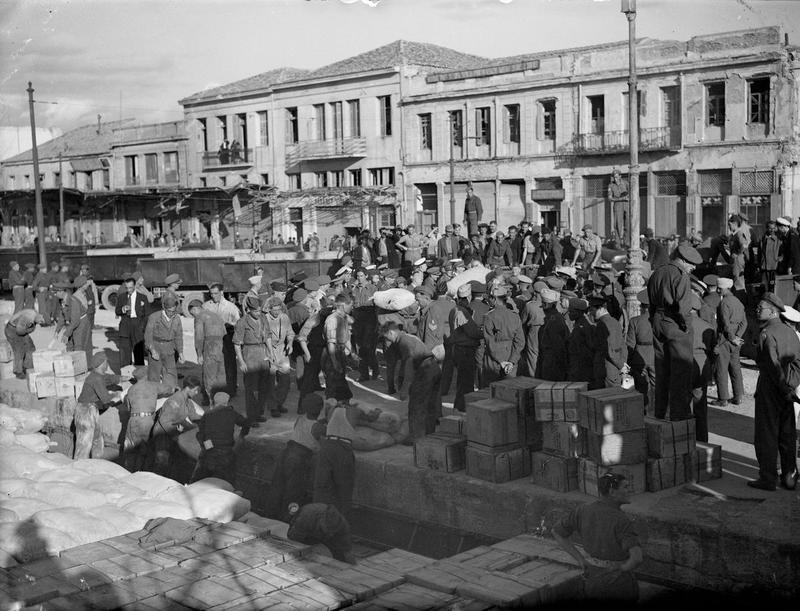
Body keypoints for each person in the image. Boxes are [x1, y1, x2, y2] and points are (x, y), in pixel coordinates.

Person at [552, 473, 643, 601]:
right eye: (626, 487)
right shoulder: (621, 520)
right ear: (612, 492)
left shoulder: (582, 510)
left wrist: (580, 560)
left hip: (593, 580)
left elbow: (557, 532)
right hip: (619, 585)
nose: (631, 490)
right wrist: (622, 568)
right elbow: (637, 558)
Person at [748, 293, 800, 491]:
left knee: (766, 434)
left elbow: (772, 365)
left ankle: (768, 478)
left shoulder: (767, 334)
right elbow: (798, 363)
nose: (757, 310)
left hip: (771, 388)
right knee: (787, 435)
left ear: (773, 312)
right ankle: (790, 477)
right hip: (788, 388)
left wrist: (782, 386)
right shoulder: (790, 332)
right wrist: (791, 384)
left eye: (761, 308)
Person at [647, 243, 703, 422]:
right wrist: (686, 327)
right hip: (675, 324)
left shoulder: (657, 272)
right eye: (691, 264)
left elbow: (650, 302)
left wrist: (654, 320)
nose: (692, 268)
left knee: (661, 372)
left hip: (658, 321)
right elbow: (684, 309)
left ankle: (659, 413)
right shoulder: (681, 276)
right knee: (681, 371)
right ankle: (679, 415)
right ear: (683, 260)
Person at [265, 393, 325, 521]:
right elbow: (324, 445)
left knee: (277, 487)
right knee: (294, 493)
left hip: (286, 452)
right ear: (320, 409)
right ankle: (287, 520)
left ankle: (270, 515)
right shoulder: (319, 427)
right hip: (300, 458)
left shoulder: (301, 418)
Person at [381, 322, 443, 442]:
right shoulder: (410, 337)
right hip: (434, 368)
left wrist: (405, 387)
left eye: (386, 337)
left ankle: (416, 438)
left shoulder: (403, 341)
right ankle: (429, 434)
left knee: (416, 406)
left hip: (425, 371)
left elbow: (409, 363)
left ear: (391, 332)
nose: (386, 341)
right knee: (430, 405)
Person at [120, 367, 174, 472]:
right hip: (146, 420)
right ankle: (143, 473)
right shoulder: (152, 386)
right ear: (146, 375)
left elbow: (129, 407)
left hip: (133, 420)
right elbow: (168, 389)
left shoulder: (131, 389)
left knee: (130, 448)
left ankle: (128, 472)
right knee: (145, 449)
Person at [191, 392, 249, 486]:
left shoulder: (207, 414)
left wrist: (208, 448)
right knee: (228, 481)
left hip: (210, 453)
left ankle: (192, 483)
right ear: (227, 402)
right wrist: (242, 436)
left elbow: (201, 435)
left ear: (214, 402)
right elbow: (246, 423)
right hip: (227, 453)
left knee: (199, 478)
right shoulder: (232, 413)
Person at [150, 375, 202, 478]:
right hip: (163, 435)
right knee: (162, 463)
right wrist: (177, 428)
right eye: (195, 390)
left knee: (174, 463)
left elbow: (193, 415)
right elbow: (164, 422)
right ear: (187, 388)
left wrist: (208, 418)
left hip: (174, 434)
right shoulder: (175, 401)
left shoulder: (187, 401)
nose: (196, 393)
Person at [313, 401, 356, 517]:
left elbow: (315, 429)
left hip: (327, 447)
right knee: (344, 491)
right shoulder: (356, 411)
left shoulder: (330, 412)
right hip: (343, 450)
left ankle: (317, 520)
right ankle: (340, 523)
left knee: (321, 487)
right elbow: (371, 421)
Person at [75, 353, 121, 459]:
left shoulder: (96, 375)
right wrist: (116, 394)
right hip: (85, 412)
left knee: (97, 440)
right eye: (106, 362)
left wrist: (121, 378)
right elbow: (105, 398)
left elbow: (108, 378)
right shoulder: (96, 379)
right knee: (83, 445)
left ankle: (97, 465)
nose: (107, 364)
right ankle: (79, 469)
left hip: (91, 410)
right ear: (102, 364)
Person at [234, 296, 270, 426]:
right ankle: (251, 417)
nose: (258, 313)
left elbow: (268, 337)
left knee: (263, 387)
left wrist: (270, 353)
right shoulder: (242, 322)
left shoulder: (263, 318)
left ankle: (259, 412)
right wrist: (242, 362)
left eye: (259, 311)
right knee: (251, 389)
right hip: (249, 354)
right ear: (249, 310)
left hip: (263, 353)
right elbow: (237, 344)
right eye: (255, 311)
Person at [286, 501, 356, 564]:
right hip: (307, 533)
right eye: (327, 529)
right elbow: (293, 539)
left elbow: (347, 551)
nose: (330, 533)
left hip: (327, 534)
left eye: (332, 531)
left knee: (340, 554)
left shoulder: (342, 526)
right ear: (321, 520)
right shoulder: (305, 519)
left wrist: (352, 567)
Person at [713, 277, 746, 408]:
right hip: (736, 340)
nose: (717, 290)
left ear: (727, 288)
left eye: (719, 288)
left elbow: (725, 324)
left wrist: (732, 337)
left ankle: (723, 399)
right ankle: (738, 397)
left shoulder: (724, 303)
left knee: (721, 369)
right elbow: (745, 322)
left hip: (724, 339)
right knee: (735, 368)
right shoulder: (739, 302)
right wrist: (738, 337)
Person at [203, 283, 241, 396]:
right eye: (211, 294)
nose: (213, 296)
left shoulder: (231, 307)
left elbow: (238, 325)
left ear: (222, 293)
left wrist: (229, 324)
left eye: (216, 293)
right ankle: (209, 392)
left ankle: (231, 390)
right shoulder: (206, 306)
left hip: (227, 340)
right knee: (210, 366)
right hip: (211, 341)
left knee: (229, 365)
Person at [449, 284, 483, 412]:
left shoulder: (455, 309)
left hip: (459, 349)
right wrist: (485, 332)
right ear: (468, 297)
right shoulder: (462, 312)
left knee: (462, 381)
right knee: (466, 383)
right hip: (464, 350)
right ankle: (463, 409)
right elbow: (472, 333)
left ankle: (459, 407)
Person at [482, 286, 524, 386]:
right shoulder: (515, 316)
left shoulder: (489, 316)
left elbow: (489, 341)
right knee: (509, 392)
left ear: (495, 299)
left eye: (491, 298)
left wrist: (500, 361)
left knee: (490, 392)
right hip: (511, 356)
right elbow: (520, 342)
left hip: (493, 360)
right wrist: (512, 361)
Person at [144, 293, 184, 390]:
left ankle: (170, 393)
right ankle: (154, 394)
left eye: (174, 311)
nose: (171, 313)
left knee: (171, 373)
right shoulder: (154, 317)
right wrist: (152, 350)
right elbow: (148, 335)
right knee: (154, 374)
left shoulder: (177, 319)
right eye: (169, 311)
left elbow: (178, 336)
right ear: (164, 308)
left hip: (169, 348)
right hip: (156, 346)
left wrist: (181, 352)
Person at [187, 300, 226, 399]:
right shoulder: (216, 315)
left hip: (209, 347)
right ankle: (221, 400)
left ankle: (211, 401)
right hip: (221, 347)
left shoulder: (200, 317)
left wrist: (199, 354)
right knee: (220, 375)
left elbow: (199, 337)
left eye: (192, 313)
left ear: (195, 309)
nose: (193, 316)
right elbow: (224, 332)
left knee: (209, 376)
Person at [689, 294, 715, 442]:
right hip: (702, 365)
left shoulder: (682, 325)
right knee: (700, 406)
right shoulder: (708, 326)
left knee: (685, 405)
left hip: (685, 364)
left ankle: (687, 439)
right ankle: (702, 439)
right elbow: (713, 351)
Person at [263, 295, 294, 417]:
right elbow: (264, 337)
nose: (277, 312)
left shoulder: (284, 317)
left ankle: (279, 402)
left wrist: (290, 343)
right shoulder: (264, 319)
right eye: (274, 310)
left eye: (278, 310)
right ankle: (273, 407)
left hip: (282, 350)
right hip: (268, 350)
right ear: (269, 309)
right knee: (271, 381)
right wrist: (270, 353)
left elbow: (290, 332)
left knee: (285, 380)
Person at [321, 294, 355, 405]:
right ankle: (330, 411)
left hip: (340, 352)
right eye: (350, 305)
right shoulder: (332, 320)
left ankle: (340, 409)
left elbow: (346, 338)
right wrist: (334, 362)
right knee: (332, 385)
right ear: (343, 305)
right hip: (332, 354)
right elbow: (330, 343)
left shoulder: (344, 317)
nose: (352, 308)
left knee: (340, 382)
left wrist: (352, 352)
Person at [589, 296, 627, 390]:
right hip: (614, 368)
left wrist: (621, 365)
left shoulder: (602, 324)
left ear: (601, 308)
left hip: (606, 369)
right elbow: (623, 345)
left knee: (608, 399)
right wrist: (623, 363)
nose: (591, 313)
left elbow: (609, 349)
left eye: (593, 310)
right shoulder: (614, 321)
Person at [626, 290, 655, 410]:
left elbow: (630, 344)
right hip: (654, 355)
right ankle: (656, 411)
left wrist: (629, 361)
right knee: (656, 387)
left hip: (639, 356)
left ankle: (642, 411)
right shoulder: (657, 320)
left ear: (641, 306)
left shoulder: (634, 321)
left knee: (640, 387)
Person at [116, 273, 150, 368]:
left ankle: (139, 376)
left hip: (138, 325)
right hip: (125, 326)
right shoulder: (122, 297)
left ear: (135, 286)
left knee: (138, 352)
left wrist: (142, 327)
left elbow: (147, 314)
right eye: (127, 288)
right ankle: (126, 375)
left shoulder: (143, 297)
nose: (128, 290)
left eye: (130, 288)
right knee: (125, 353)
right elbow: (117, 311)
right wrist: (122, 309)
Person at [350, 269, 378, 382]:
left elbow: (377, 307)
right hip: (358, 323)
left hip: (369, 323)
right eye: (357, 276)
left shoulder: (373, 289)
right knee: (359, 349)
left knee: (369, 349)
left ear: (366, 276)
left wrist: (376, 324)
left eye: (361, 276)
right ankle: (364, 374)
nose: (359, 278)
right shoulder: (354, 290)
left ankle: (375, 370)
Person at [536, 288, 569, 381]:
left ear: (546, 305)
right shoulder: (555, 318)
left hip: (552, 361)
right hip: (549, 358)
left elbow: (558, 346)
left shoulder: (554, 321)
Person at [4, 308, 44, 379]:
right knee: (19, 349)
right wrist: (29, 329)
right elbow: (19, 331)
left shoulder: (34, 316)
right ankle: (18, 371)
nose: (39, 323)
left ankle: (27, 367)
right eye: (40, 322)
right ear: (38, 317)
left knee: (30, 346)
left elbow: (25, 330)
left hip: (21, 329)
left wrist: (30, 328)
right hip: (12, 330)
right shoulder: (28, 317)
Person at [64, 276, 93, 363]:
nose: (87, 284)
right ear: (82, 285)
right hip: (81, 325)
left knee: (86, 345)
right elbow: (75, 320)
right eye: (85, 283)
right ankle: (81, 366)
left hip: (85, 322)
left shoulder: (82, 294)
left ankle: (87, 365)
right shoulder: (75, 298)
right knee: (79, 346)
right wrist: (67, 333)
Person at [567, 298, 595, 385]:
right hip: (577, 364)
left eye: (571, 312)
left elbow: (589, 348)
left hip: (581, 367)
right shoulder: (579, 324)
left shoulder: (583, 326)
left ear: (578, 312)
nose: (569, 314)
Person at [608, 169, 629, 247]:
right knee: (617, 224)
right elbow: (610, 198)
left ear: (620, 176)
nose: (615, 179)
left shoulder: (626, 183)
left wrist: (627, 197)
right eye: (614, 177)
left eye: (616, 177)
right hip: (617, 204)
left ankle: (627, 242)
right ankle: (618, 243)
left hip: (627, 204)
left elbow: (632, 193)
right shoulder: (611, 185)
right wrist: (620, 199)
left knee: (628, 223)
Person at [760, 220, 781, 292]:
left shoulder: (778, 239)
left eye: (773, 228)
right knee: (764, 287)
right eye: (770, 228)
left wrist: (777, 259)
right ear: (766, 228)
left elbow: (781, 252)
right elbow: (760, 251)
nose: (772, 230)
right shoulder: (763, 238)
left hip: (773, 266)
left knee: (773, 287)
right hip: (764, 266)